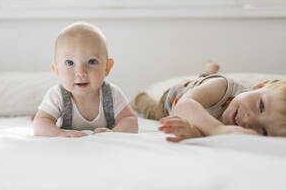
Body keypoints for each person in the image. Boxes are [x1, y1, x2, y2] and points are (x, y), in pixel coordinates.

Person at [132, 60, 286, 142]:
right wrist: (217, 129)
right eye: (261, 106)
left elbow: (201, 128)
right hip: (176, 97)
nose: (250, 120)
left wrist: (195, 133)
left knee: (203, 83)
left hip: (204, 95)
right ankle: (138, 98)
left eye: (264, 131)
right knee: (152, 111)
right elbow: (184, 106)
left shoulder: (238, 130)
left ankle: (207, 73)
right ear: (259, 86)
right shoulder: (223, 86)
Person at [33, 22, 138, 137]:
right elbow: (40, 124)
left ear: (107, 68)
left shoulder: (111, 94)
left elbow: (130, 120)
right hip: (71, 150)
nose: (81, 72)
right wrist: (59, 133)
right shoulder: (57, 95)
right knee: (40, 115)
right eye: (70, 63)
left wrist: (114, 132)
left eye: (91, 62)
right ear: (57, 70)